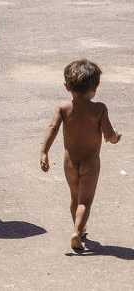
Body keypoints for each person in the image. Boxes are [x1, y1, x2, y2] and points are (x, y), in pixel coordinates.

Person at [40, 59, 122, 252]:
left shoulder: (63, 108)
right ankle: (77, 231)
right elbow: (109, 135)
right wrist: (116, 137)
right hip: (90, 163)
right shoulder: (99, 109)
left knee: (75, 198)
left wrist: (44, 151)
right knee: (85, 201)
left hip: (70, 162)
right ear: (95, 88)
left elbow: (52, 128)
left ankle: (80, 228)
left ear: (67, 87)